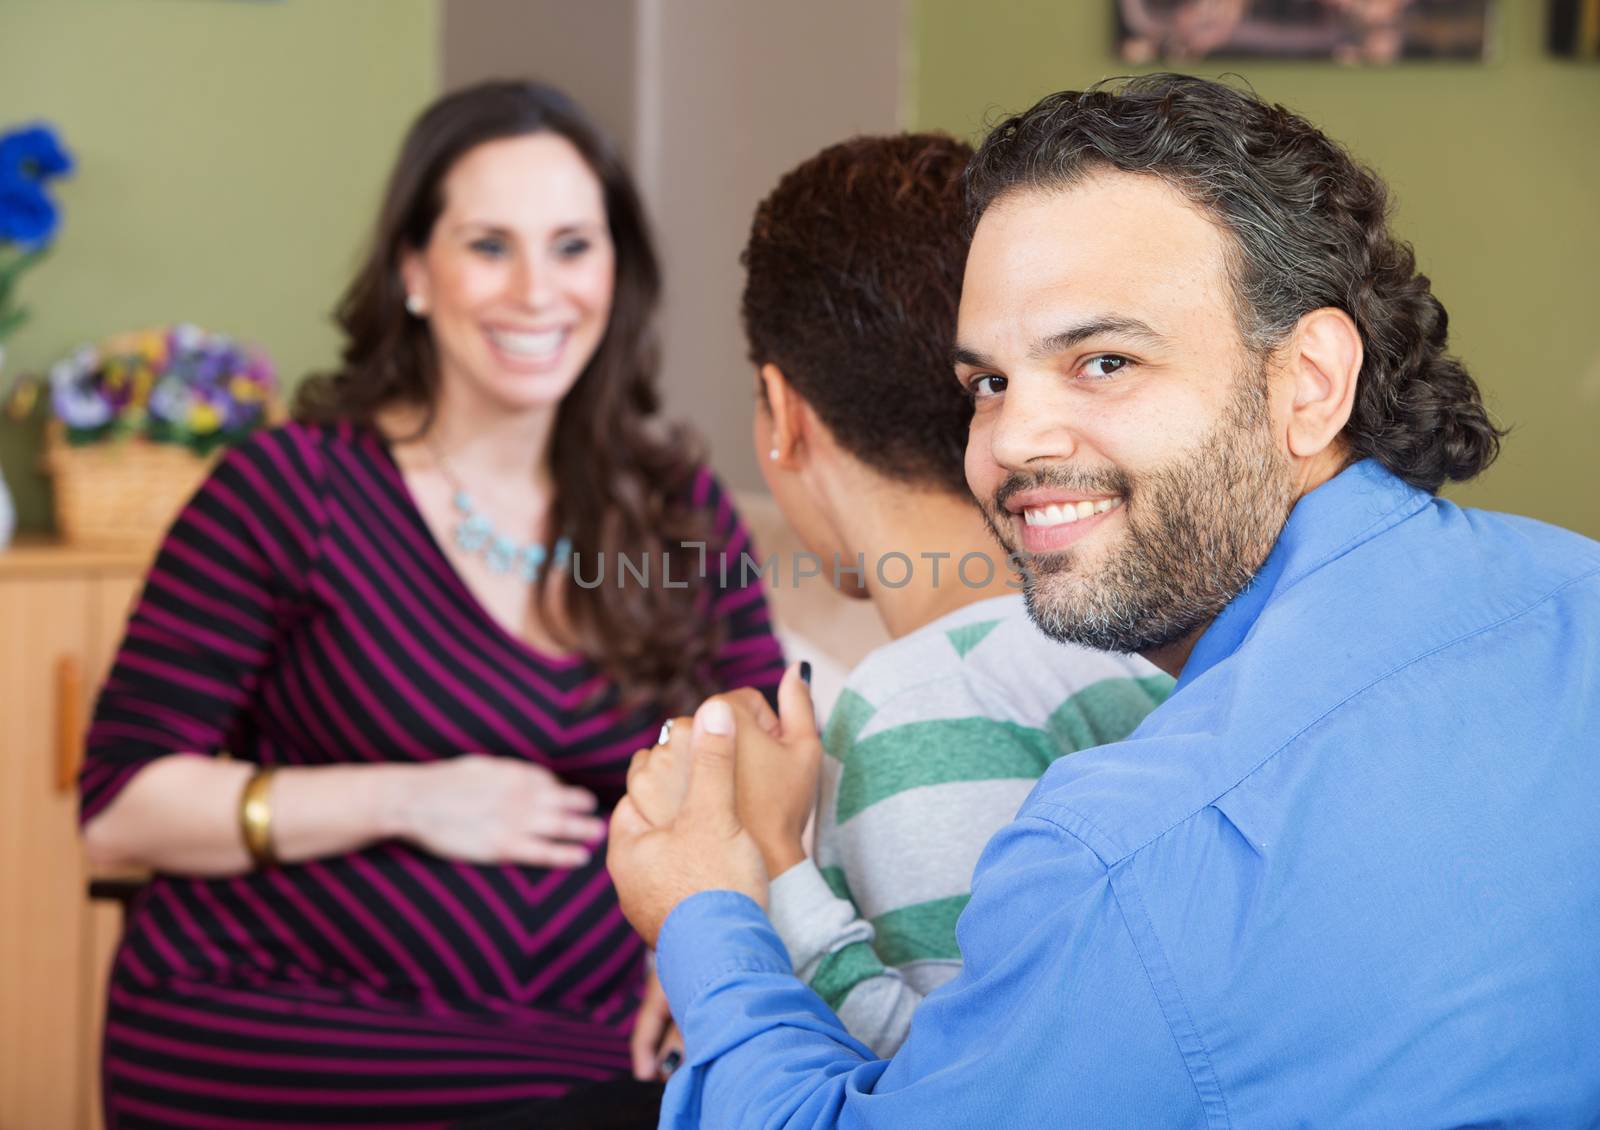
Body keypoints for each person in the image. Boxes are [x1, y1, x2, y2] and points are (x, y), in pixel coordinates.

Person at [607, 73, 1600, 1126]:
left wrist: (710, 914)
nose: (1010, 440)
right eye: (988, 382)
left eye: (1104, 360)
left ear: (1309, 380)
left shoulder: (1126, 852)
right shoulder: (1574, 594)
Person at [78, 80, 783, 1129]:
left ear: (616, 271)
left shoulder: (673, 509)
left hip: (601, 1020)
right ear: (413, 270)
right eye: (489, 245)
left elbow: (767, 756)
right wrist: (408, 796)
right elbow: (120, 810)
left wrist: (711, 944)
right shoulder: (285, 490)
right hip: (286, 1017)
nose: (538, 290)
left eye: (573, 246)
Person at [628, 133, 1170, 1072]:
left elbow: (961, 1085)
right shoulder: (1135, 639)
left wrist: (757, 878)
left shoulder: (925, 703)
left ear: (782, 414)